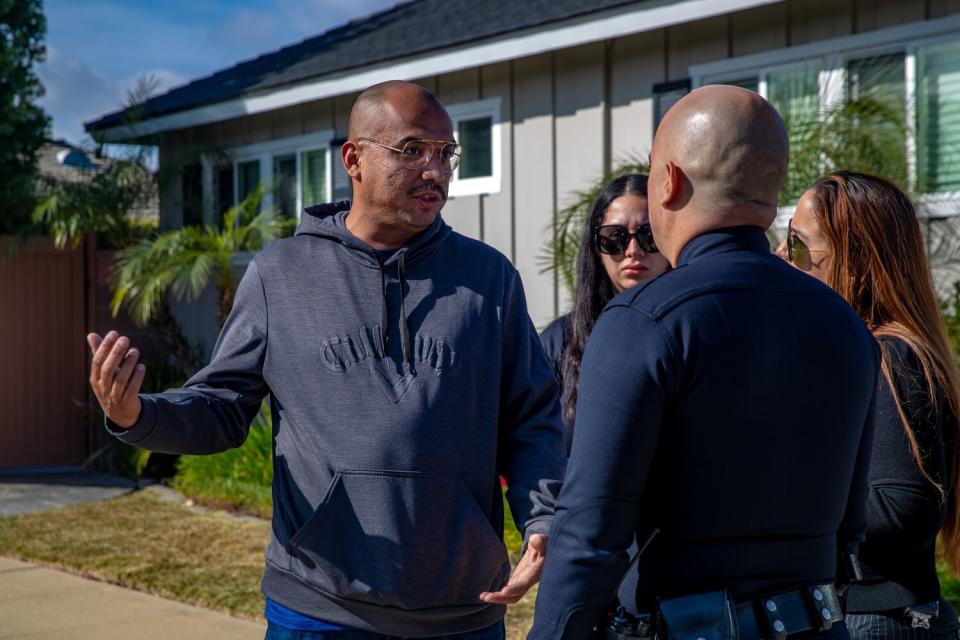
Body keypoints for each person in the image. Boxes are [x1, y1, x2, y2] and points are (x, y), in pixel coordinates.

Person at [86, 80, 565, 640]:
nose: (435, 169)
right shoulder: (280, 275)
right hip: (318, 610)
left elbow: (531, 417)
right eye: (412, 150)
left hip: (459, 613)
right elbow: (221, 409)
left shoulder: (490, 278)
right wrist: (134, 414)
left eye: (446, 153)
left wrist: (543, 516)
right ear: (354, 159)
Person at [528, 85, 880, 640]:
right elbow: (850, 526)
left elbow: (589, 534)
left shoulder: (645, 321)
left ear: (667, 181)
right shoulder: (846, 325)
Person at [777, 171, 960, 639]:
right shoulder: (879, 350)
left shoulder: (888, 355)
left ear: (853, 260)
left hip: (877, 620)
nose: (782, 256)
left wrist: (778, 492)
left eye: (797, 245)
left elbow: (903, 508)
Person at [539, 174, 671, 450]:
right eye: (615, 238)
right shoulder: (560, 341)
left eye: (650, 236)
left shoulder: (692, 331)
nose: (633, 251)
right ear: (596, 247)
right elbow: (534, 446)